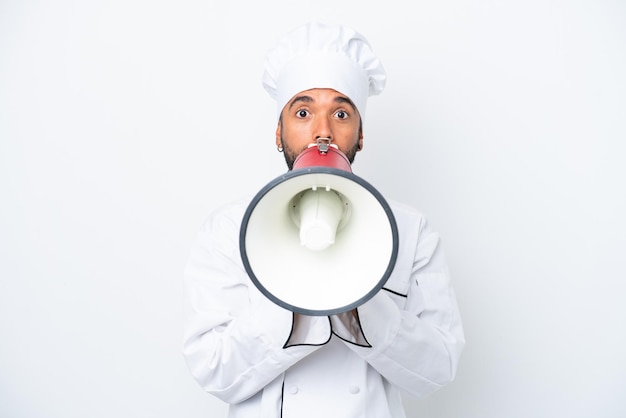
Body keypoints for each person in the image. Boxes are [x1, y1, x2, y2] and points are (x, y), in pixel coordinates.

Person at [182, 21, 465, 418]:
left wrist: (359, 305)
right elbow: (212, 369)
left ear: (360, 134)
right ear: (279, 132)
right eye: (302, 112)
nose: (322, 133)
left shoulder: (410, 230)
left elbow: (438, 368)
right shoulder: (229, 229)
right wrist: (296, 295)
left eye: (341, 114)